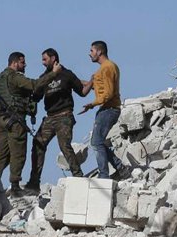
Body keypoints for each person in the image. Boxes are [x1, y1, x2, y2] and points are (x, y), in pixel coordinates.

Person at [26, 48, 86, 190]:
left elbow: (81, 91)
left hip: (64, 116)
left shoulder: (67, 74)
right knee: (38, 144)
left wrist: (92, 82)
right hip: (50, 117)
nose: (42, 62)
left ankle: (78, 176)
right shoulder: (44, 77)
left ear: (53, 59)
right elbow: (36, 96)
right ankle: (34, 182)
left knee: (64, 145)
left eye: (45, 59)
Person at [0, 51, 37, 195]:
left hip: (1, 120)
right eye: (22, 62)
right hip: (15, 121)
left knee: (1, 155)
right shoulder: (15, 77)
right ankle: (15, 186)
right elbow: (33, 85)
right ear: (15, 63)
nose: (25, 65)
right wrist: (51, 75)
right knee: (18, 153)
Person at [79, 40, 127, 180]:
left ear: (99, 51)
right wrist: (80, 82)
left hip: (109, 109)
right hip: (107, 109)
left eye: (92, 51)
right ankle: (120, 168)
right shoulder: (106, 68)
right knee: (98, 141)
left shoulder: (107, 67)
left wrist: (92, 104)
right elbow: (101, 89)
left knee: (96, 142)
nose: (90, 54)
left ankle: (104, 175)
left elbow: (108, 93)